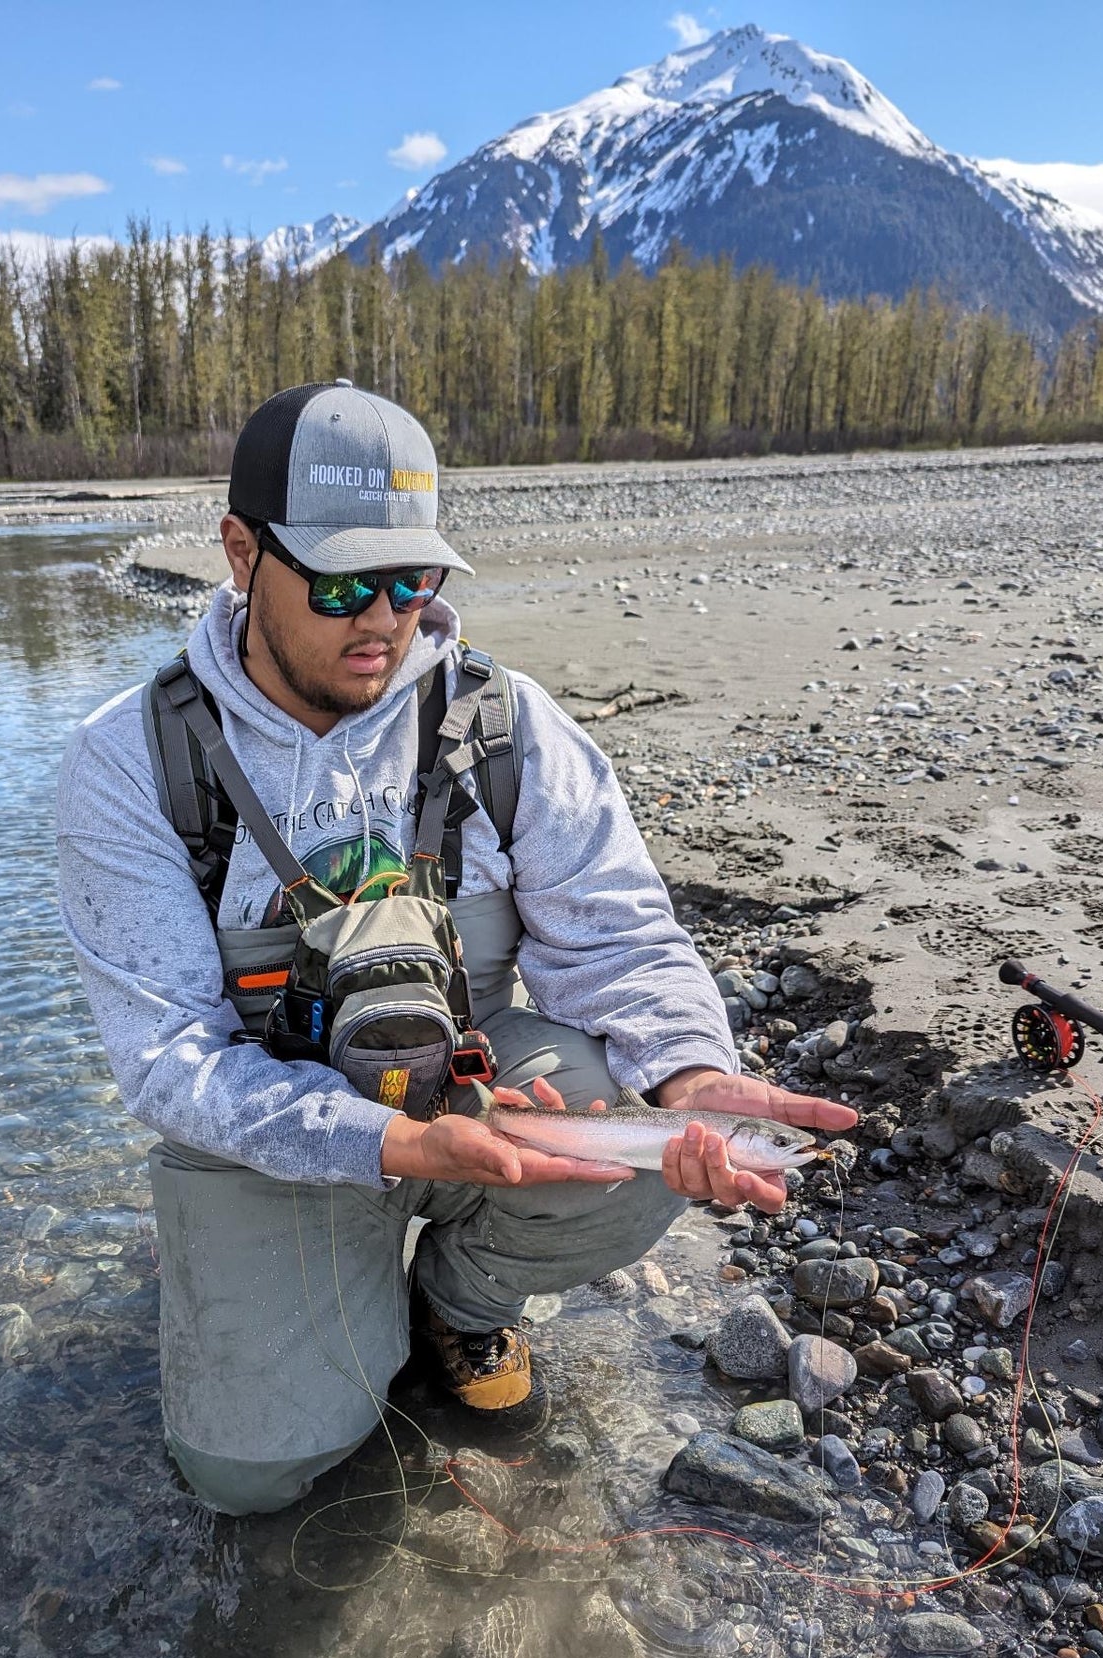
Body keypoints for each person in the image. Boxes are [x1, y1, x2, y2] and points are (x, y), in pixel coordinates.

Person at [56, 379, 855, 1516]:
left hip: (471, 1088)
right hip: (267, 1132)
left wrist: (684, 1070)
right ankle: (314, 1291)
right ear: (240, 553)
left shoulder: (506, 721)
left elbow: (617, 934)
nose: (382, 618)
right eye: (341, 582)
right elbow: (170, 1059)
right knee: (252, 1477)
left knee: (632, 1138)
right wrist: (390, 1147)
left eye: (411, 579)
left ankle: (454, 1300)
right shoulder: (128, 761)